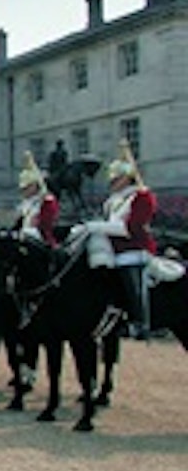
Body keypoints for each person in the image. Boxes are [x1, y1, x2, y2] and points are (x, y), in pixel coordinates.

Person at [82, 140, 157, 339]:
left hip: (135, 248)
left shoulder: (141, 197)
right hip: (112, 249)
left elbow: (130, 228)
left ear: (127, 178)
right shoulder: (111, 202)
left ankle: (141, 322)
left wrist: (96, 226)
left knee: (130, 278)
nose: (112, 183)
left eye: (116, 179)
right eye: (111, 179)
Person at [14, 151, 59, 246]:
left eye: (27, 187)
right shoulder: (25, 203)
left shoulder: (47, 201)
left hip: (41, 241)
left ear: (35, 186)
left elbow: (46, 225)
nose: (24, 191)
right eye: (22, 188)